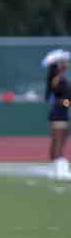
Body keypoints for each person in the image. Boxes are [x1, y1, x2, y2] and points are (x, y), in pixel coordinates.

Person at [43, 49, 71, 179]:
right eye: (64, 62)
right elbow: (62, 100)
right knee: (58, 141)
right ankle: (58, 169)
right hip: (59, 113)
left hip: (60, 112)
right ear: (58, 65)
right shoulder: (57, 79)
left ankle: (55, 167)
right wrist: (68, 103)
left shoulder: (59, 78)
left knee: (59, 140)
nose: (67, 63)